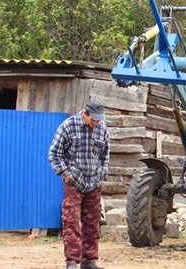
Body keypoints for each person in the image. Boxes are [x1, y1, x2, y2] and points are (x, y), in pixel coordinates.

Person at [49, 99, 110, 269]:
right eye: (93, 120)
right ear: (85, 114)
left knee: (93, 223)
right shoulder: (68, 127)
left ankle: (89, 261)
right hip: (74, 183)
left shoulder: (102, 128)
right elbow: (54, 154)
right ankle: (72, 262)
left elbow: (105, 155)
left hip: (94, 183)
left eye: (99, 120)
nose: (96, 123)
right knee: (71, 221)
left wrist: (102, 173)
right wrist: (66, 174)